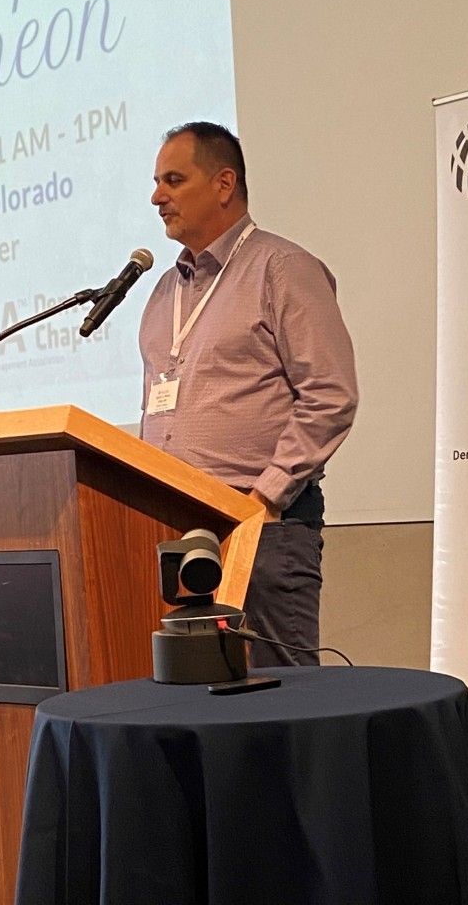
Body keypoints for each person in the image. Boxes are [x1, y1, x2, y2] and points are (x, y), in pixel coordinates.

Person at [139, 121, 357, 665]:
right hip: (173, 533)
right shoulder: (166, 290)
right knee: (193, 702)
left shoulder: (282, 270)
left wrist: (262, 501)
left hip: (262, 530)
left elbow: (330, 395)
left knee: (280, 704)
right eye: (156, 181)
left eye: (173, 179)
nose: (157, 196)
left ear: (223, 183)